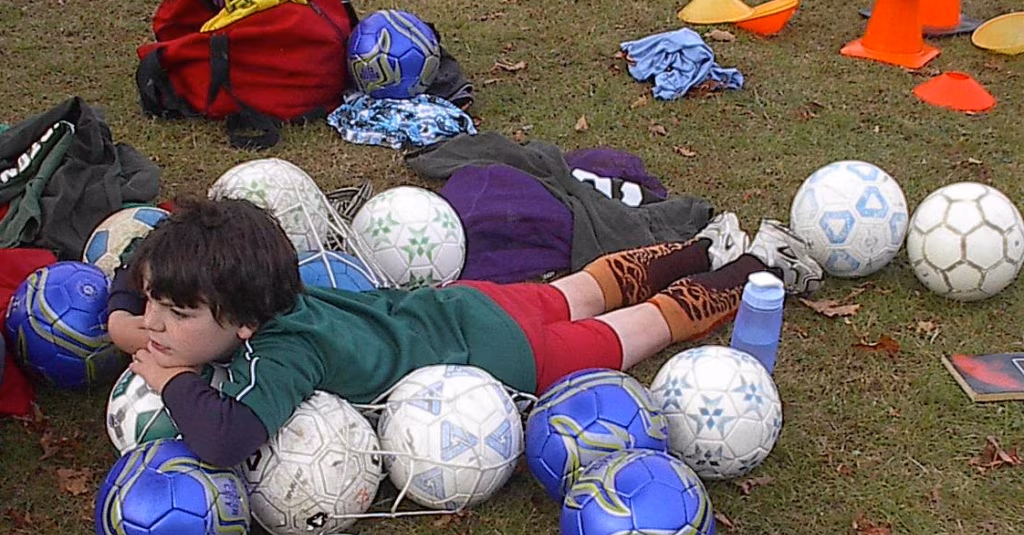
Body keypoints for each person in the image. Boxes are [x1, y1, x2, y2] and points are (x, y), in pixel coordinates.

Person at [107, 196, 822, 467]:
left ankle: (762, 263)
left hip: (500, 356)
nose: (156, 322)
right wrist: (122, 316)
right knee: (583, 288)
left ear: (244, 324)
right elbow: (142, 273)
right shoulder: (261, 282)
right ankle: (706, 243)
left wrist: (169, 375)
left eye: (175, 314)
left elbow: (227, 438)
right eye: (155, 306)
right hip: (463, 306)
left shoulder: (278, 352)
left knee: (637, 327)